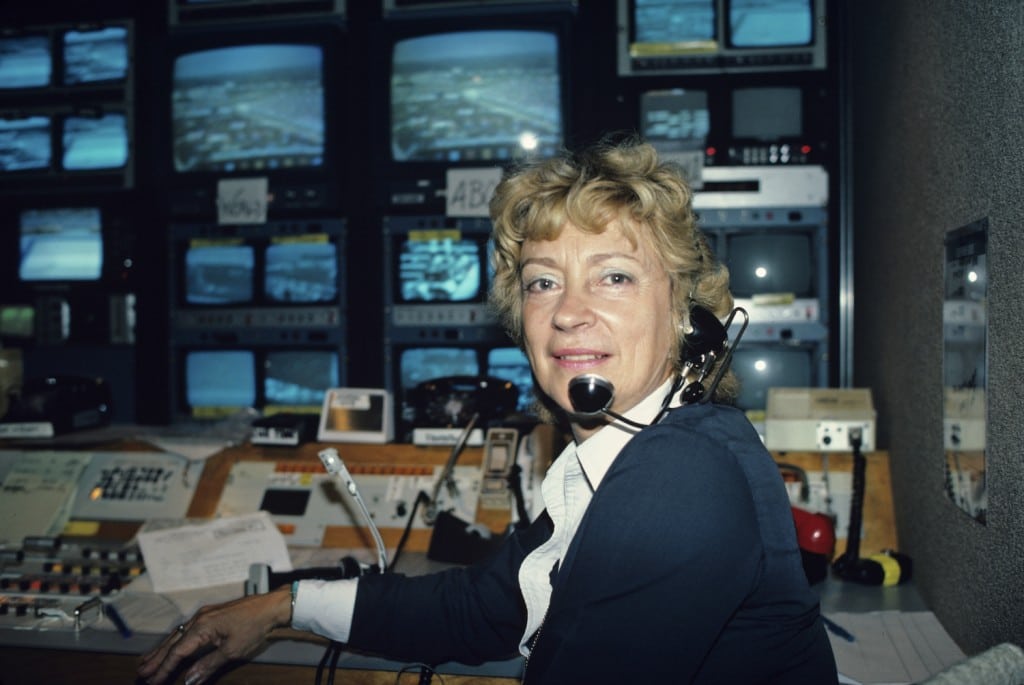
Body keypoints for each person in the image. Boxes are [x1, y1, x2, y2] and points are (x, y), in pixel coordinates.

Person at [138, 137, 838, 685]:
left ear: (688, 315)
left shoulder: (679, 471)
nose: (568, 312)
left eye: (614, 276)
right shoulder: (625, 451)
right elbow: (485, 605)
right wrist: (285, 605)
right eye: (543, 282)